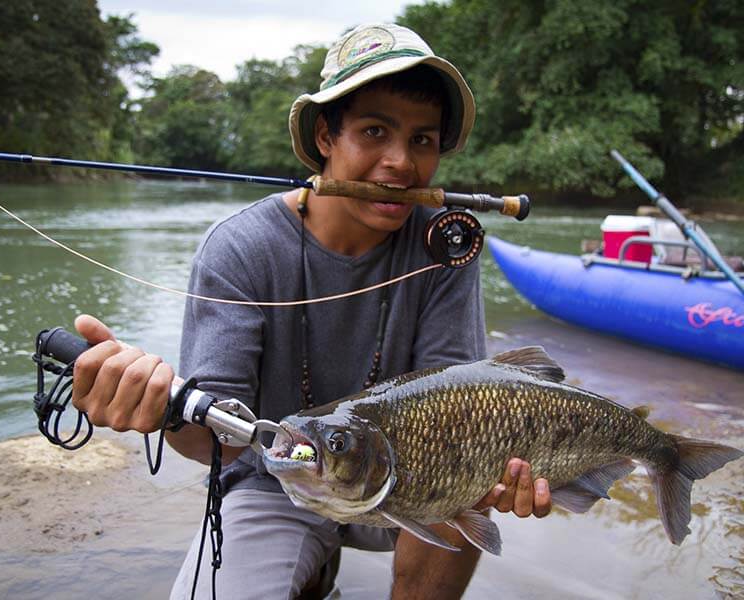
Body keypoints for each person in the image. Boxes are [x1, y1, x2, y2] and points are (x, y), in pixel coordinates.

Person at [72, 22, 552, 599]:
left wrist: (495, 472)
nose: (400, 162)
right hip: (276, 479)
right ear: (326, 136)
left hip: (418, 479)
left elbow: (459, 406)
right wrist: (163, 409)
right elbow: (213, 444)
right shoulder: (240, 248)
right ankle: (310, 567)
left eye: (423, 140)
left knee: (467, 490)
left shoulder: (446, 244)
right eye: (375, 131)